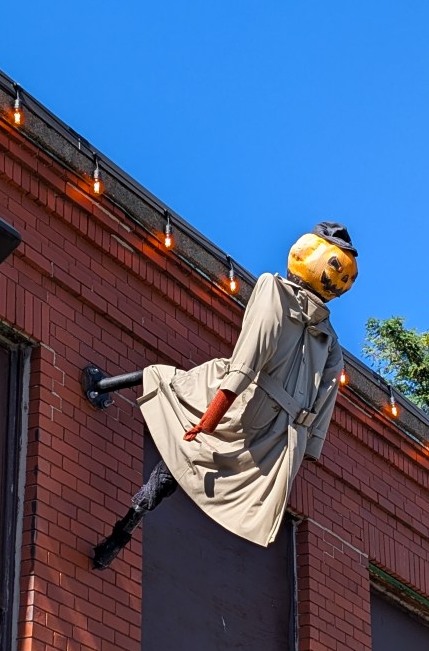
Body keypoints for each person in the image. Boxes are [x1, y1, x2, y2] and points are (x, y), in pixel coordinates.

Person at [93, 221, 358, 569]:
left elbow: (249, 357)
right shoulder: (331, 340)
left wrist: (213, 414)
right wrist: (300, 452)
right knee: (194, 456)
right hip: (275, 435)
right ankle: (126, 526)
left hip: (241, 401)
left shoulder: (274, 289)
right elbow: (322, 406)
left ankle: (126, 521)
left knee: (168, 383)